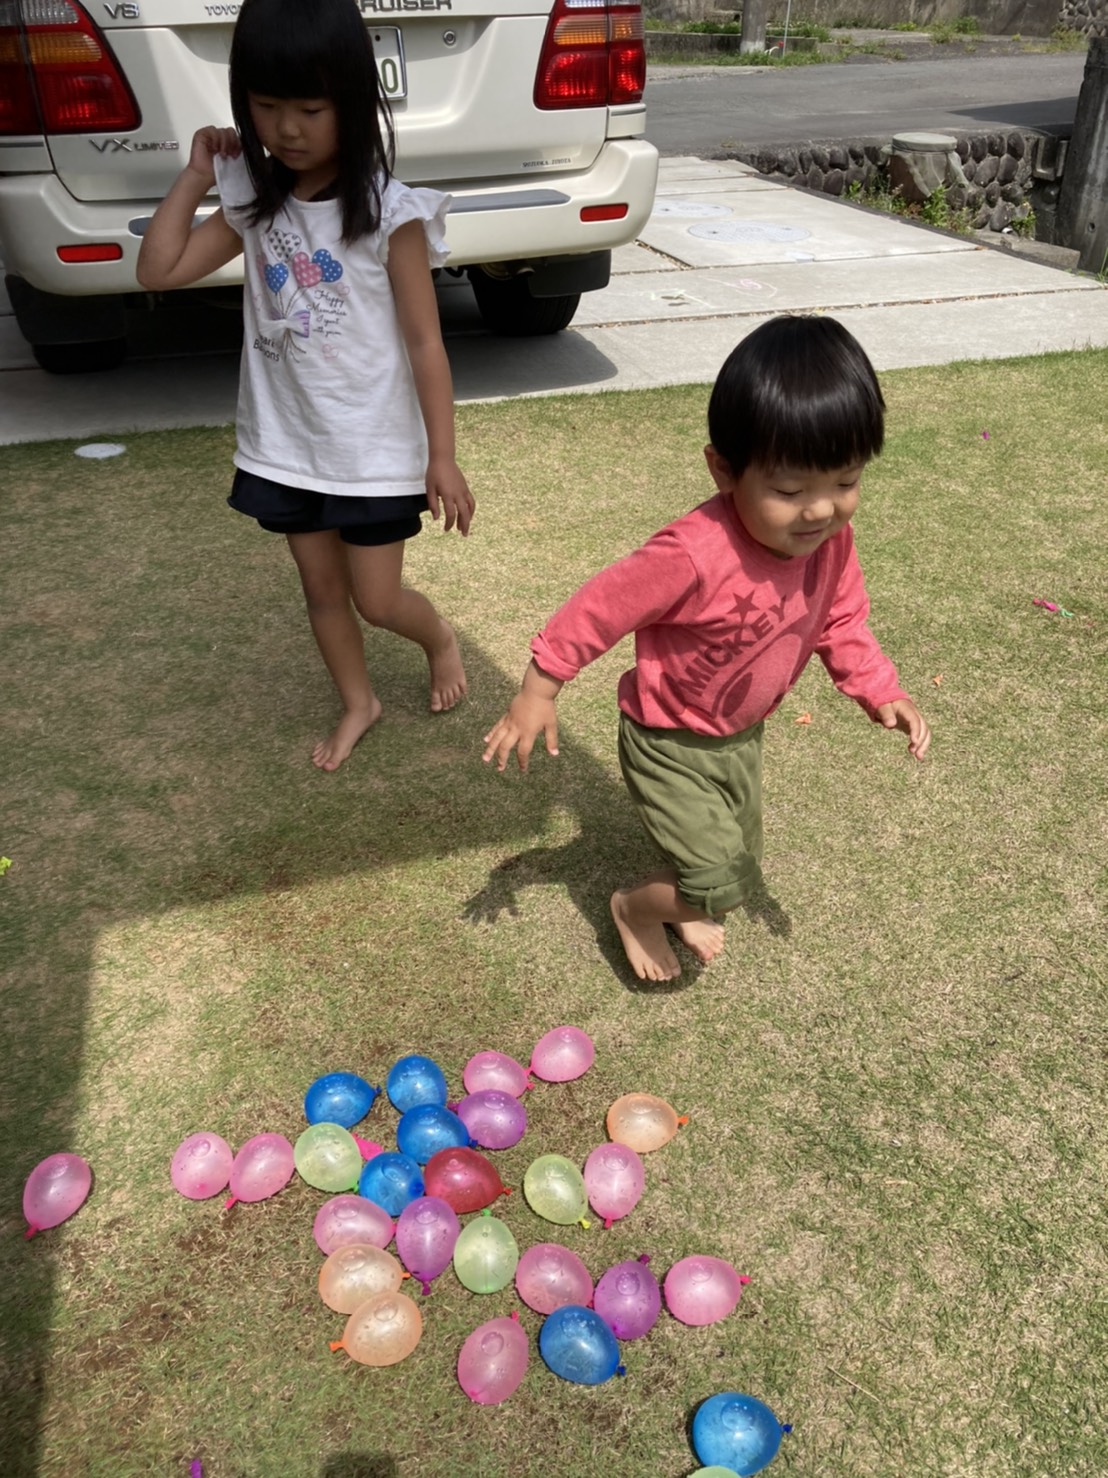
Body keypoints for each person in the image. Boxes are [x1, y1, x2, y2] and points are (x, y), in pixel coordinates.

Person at [482, 315, 930, 982]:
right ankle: (636, 908)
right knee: (718, 878)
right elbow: (599, 608)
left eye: (845, 481)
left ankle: (685, 895)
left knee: (732, 857)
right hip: (668, 738)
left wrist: (880, 689)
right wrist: (536, 691)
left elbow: (842, 618)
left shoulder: (830, 544)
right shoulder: (692, 554)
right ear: (724, 470)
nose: (820, 511)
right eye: (788, 489)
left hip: (738, 736)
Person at [137, 0, 474, 772]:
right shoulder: (255, 203)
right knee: (321, 592)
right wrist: (196, 178)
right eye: (266, 106)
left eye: (310, 108)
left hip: (374, 450)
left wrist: (442, 456)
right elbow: (158, 269)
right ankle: (361, 701)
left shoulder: (393, 215)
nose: (287, 128)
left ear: (352, 102)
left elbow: (426, 342)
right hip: (285, 445)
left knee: (378, 601)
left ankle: (441, 639)